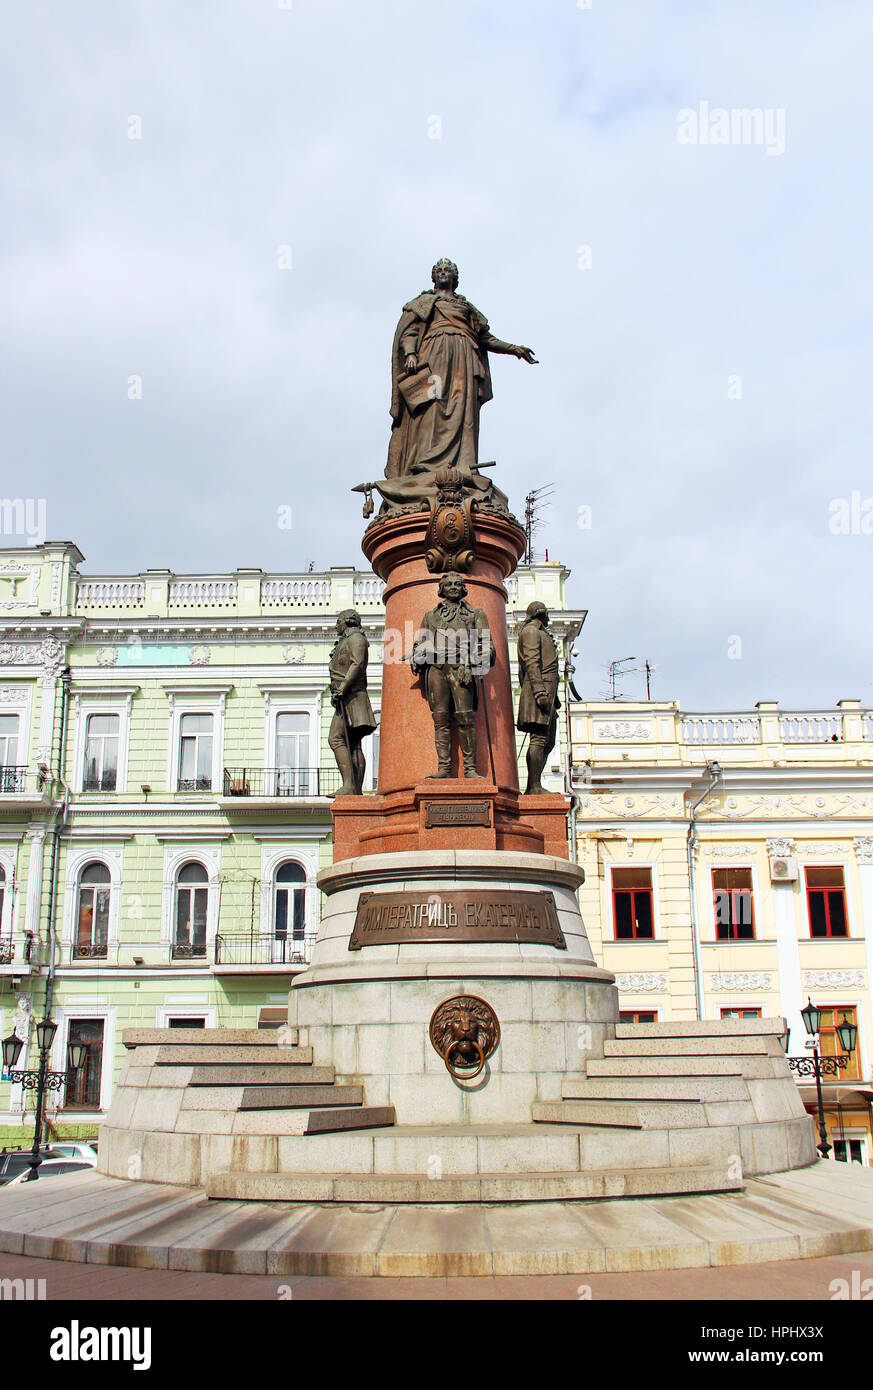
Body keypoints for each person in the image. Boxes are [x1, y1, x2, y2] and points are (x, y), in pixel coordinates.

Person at [385, 258, 537, 500]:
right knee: (432, 408)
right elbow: (410, 332)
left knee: (461, 410)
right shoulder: (424, 303)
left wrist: (514, 349)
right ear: (433, 277)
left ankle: (462, 464)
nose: (444, 273)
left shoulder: (467, 308)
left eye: (448, 271)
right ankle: (426, 462)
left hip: (464, 360)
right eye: (440, 271)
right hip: (434, 355)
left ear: (455, 278)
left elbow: (486, 338)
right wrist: (412, 353)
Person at [411, 572, 496, 779]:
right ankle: (444, 769)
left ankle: (470, 769)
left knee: (466, 718)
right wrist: (418, 655)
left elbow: (488, 648)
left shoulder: (476, 614)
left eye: (458, 584)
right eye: (448, 584)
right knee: (440, 719)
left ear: (464, 588)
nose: (453, 587)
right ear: (441, 589)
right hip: (437, 670)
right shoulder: (431, 617)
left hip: (462, 668)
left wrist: (472, 663)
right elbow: (419, 644)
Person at [328, 610, 377, 795]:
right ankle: (354, 789)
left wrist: (342, 688)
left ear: (348, 621)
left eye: (338, 621)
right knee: (354, 744)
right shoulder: (346, 640)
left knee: (336, 738)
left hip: (352, 696)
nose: (336, 625)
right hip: (347, 696)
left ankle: (350, 785)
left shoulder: (356, 638)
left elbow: (357, 664)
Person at [516, 601, 560, 794]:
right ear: (540, 613)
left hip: (548, 693)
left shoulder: (541, 633)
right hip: (538, 691)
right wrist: (540, 691)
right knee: (539, 740)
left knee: (548, 740)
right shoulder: (531, 632)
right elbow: (532, 662)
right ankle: (533, 787)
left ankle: (535, 784)